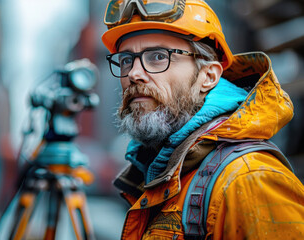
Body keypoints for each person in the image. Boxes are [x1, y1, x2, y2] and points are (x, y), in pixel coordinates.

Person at [101, 0, 304, 239]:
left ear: (208, 76)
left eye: (157, 56)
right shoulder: (160, 169)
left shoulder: (249, 178)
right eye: (126, 60)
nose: (134, 74)